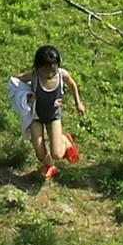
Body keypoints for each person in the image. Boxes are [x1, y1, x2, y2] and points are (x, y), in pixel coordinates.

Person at [19, 44, 85, 182]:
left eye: (53, 71)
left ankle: (65, 140)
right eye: (46, 71)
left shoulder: (62, 75)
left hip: (53, 116)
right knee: (39, 152)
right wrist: (24, 96)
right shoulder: (34, 76)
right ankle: (49, 165)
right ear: (38, 67)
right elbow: (16, 81)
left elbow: (72, 85)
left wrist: (78, 103)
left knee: (57, 153)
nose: (50, 74)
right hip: (36, 116)